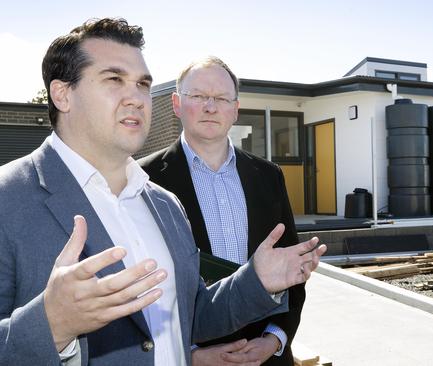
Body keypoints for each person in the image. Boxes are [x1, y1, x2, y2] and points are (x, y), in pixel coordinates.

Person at [0, 18, 326, 366]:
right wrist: (51, 327)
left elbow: (190, 313)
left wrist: (256, 281)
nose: (136, 98)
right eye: (114, 79)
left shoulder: (164, 204)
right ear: (63, 94)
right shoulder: (9, 200)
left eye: (142, 84)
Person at [139, 57, 302, 366]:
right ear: (176, 103)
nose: (210, 107)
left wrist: (274, 338)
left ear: (235, 109)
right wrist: (190, 354)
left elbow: (293, 270)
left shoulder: (269, 176)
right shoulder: (142, 180)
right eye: (198, 96)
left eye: (221, 98)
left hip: (266, 356)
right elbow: (138, 286)